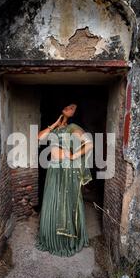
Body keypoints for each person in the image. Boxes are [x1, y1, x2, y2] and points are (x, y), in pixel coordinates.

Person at [35, 103, 94, 257]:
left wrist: (74, 156)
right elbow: (38, 138)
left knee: (65, 202)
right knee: (52, 200)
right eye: (69, 106)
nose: (71, 109)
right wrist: (55, 123)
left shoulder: (73, 127)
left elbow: (89, 144)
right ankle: (50, 238)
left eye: (74, 108)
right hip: (53, 170)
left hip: (67, 170)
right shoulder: (55, 128)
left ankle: (65, 240)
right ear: (61, 107)